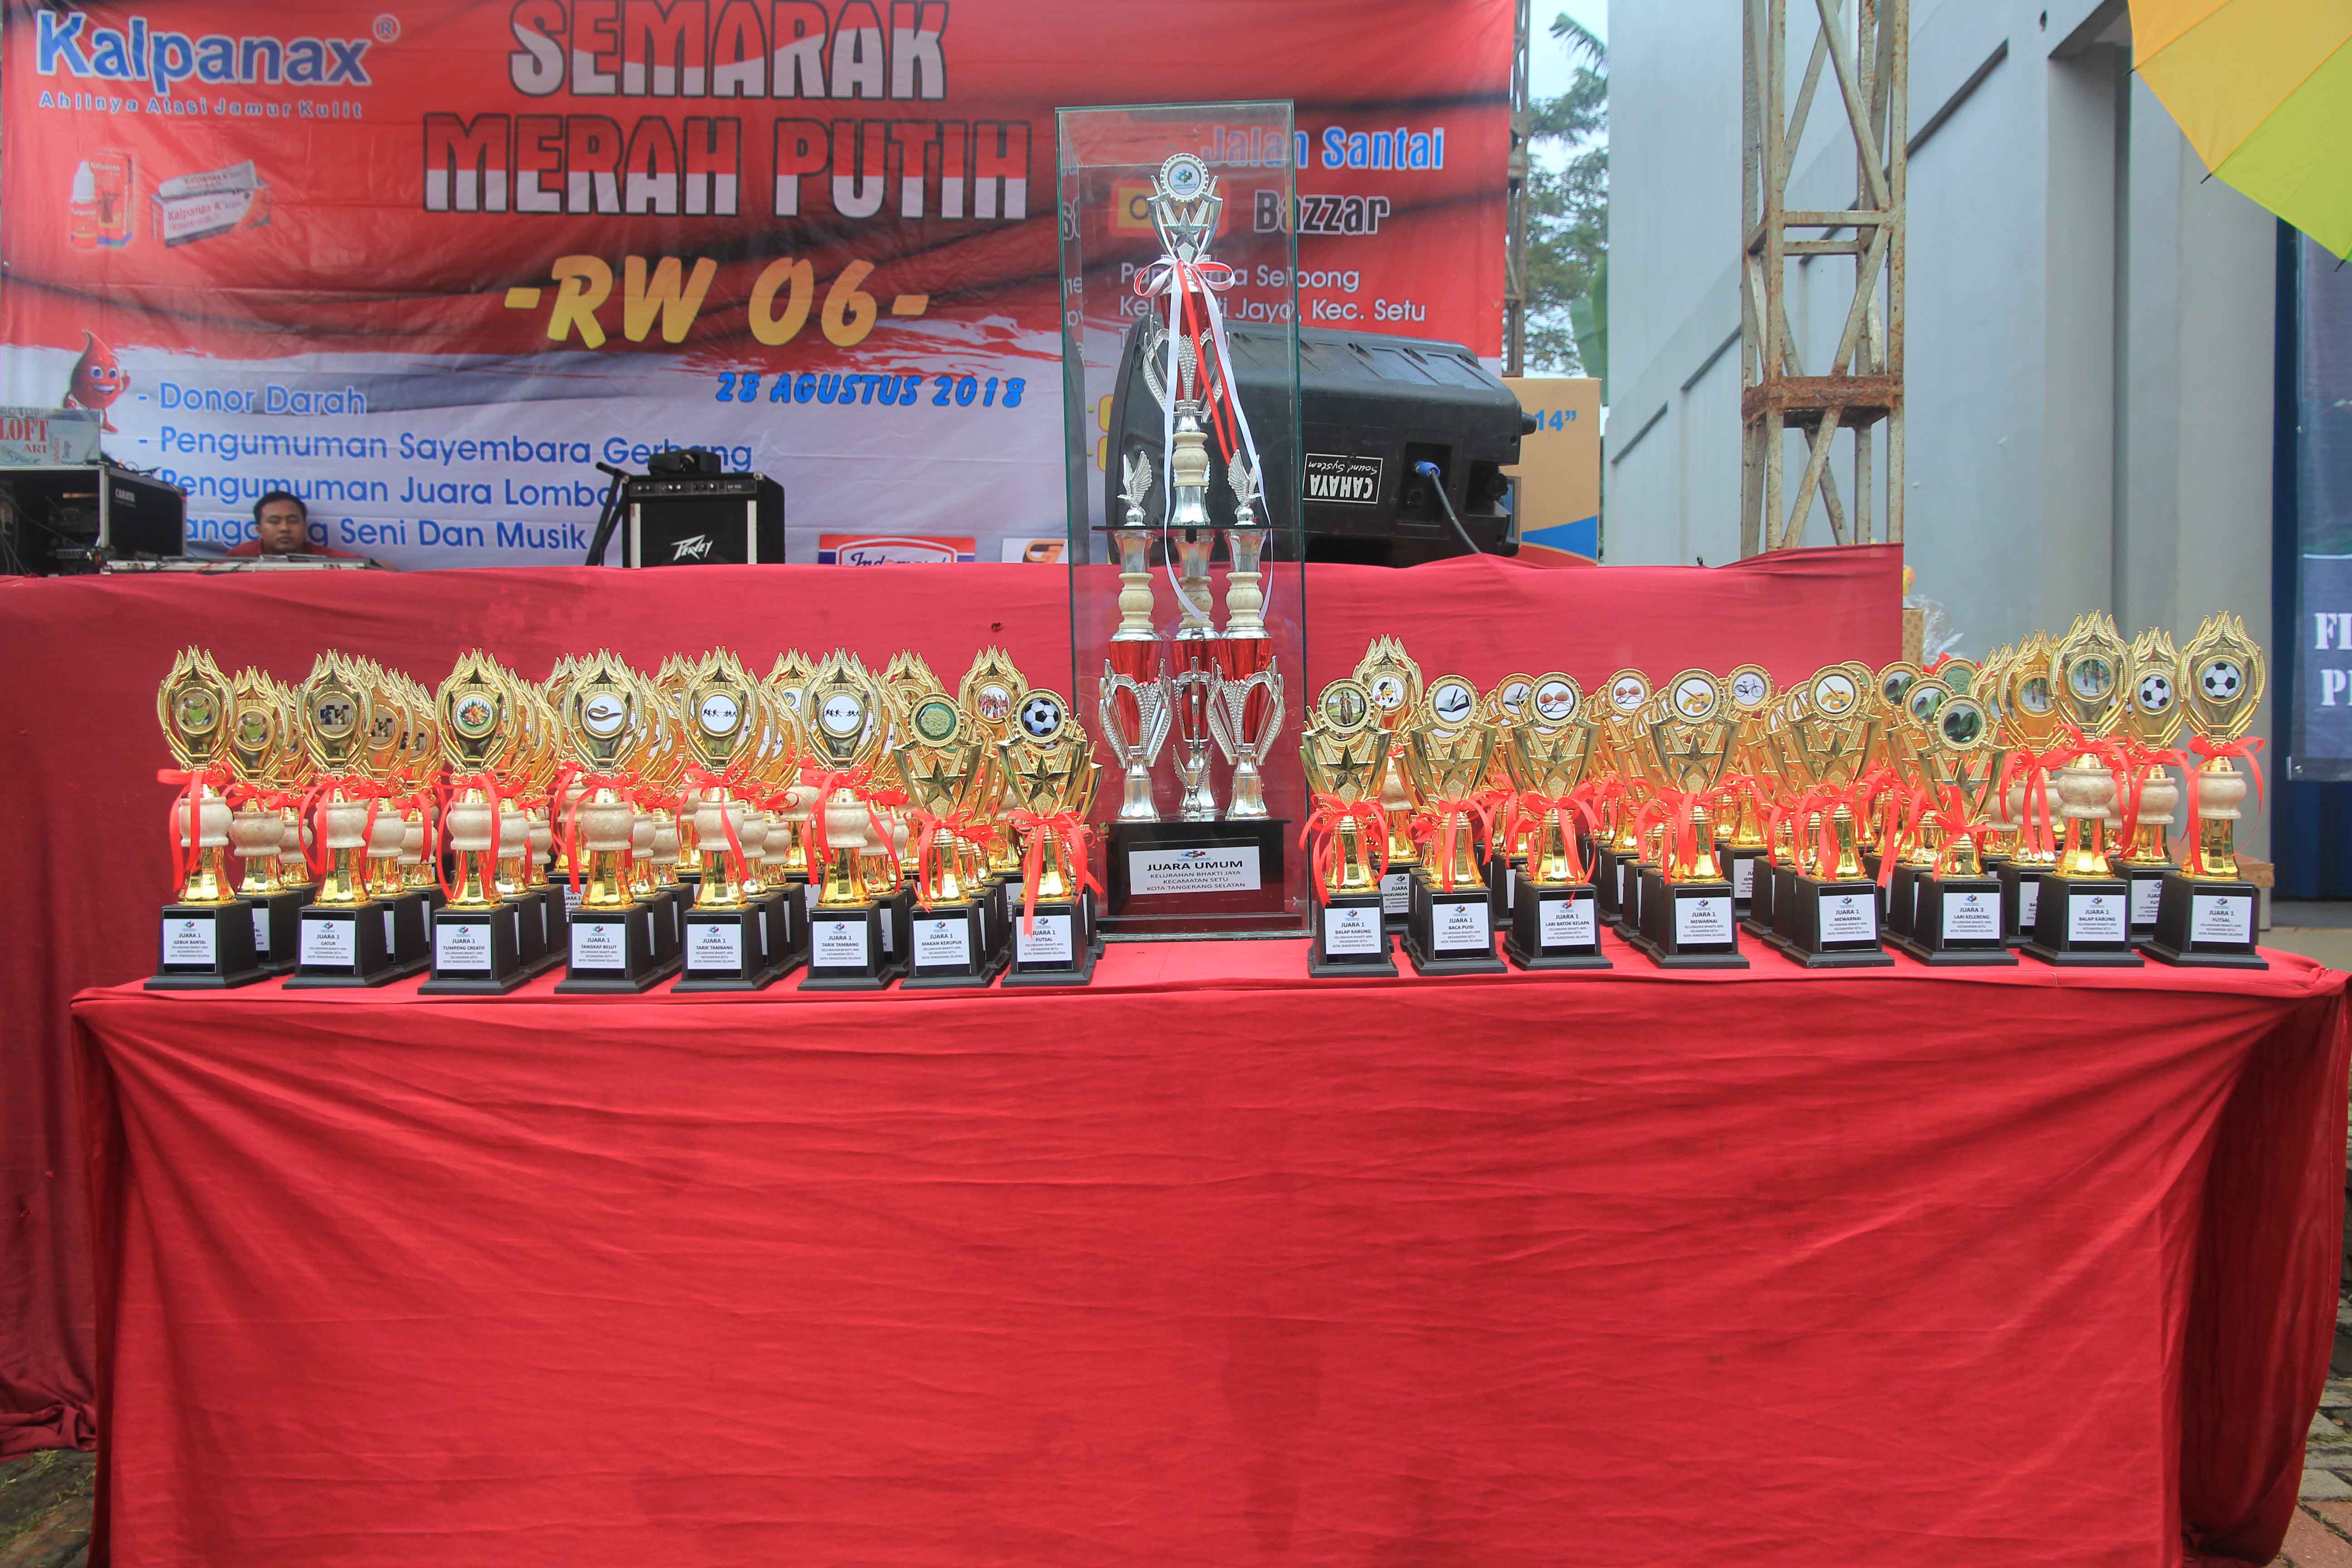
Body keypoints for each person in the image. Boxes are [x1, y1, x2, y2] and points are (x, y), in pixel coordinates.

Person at [220, 492, 384, 564]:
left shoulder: (322, 557)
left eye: (293, 521)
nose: (284, 528)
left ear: (305, 528)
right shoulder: (240, 557)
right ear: (259, 531)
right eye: (275, 522)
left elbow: (385, 569)